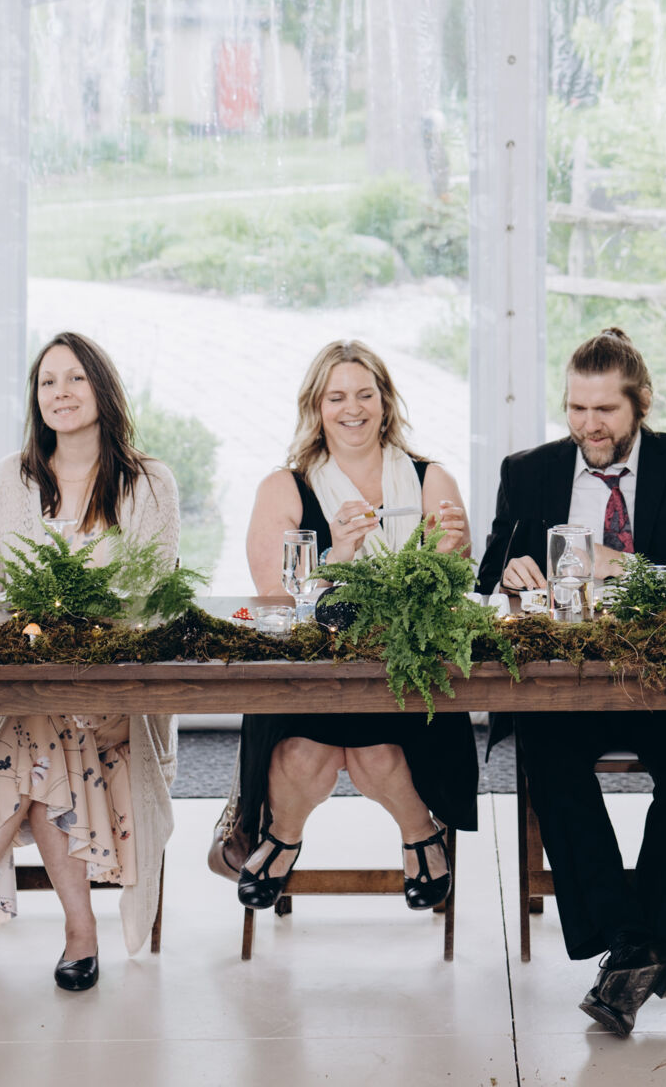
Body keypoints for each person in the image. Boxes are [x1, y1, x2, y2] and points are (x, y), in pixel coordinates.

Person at [476, 327, 666, 1038]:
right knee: (545, 750)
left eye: (604, 410)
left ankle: (632, 950)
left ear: (641, 403)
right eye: (576, 408)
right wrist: (510, 576)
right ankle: (641, 942)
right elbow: (488, 575)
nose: (588, 425)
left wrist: (618, 565)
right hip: (566, 686)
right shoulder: (528, 472)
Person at [0, 333, 180, 990]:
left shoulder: (148, 482)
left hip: (119, 696)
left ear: (102, 389)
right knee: (46, 727)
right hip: (31, 691)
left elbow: (151, 603)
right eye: (48, 382)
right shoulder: (10, 479)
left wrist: (85, 640)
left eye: (75, 378)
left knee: (45, 723)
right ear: (37, 399)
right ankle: (80, 932)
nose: (61, 393)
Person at [228, 340, 477, 916]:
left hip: (405, 673)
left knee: (377, 755)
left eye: (365, 394)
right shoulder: (284, 486)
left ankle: (415, 832)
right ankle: (288, 836)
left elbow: (453, 592)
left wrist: (451, 557)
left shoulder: (430, 478)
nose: (352, 408)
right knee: (302, 755)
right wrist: (338, 554)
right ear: (316, 407)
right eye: (336, 396)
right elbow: (275, 599)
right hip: (308, 675)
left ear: (385, 403)